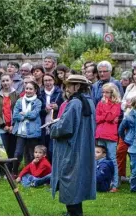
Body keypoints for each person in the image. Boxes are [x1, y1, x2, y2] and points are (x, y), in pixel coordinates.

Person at [50, 74, 96, 216]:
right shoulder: (89, 101)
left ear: (77, 86)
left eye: (69, 85)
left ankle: (74, 212)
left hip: (72, 147)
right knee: (76, 179)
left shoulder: (75, 102)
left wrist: (53, 127)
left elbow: (65, 127)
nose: (67, 88)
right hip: (82, 146)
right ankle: (74, 211)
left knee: (69, 178)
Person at [12, 81, 42, 176]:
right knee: (18, 153)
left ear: (35, 90)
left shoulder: (38, 102)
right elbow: (15, 115)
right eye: (26, 88)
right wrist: (23, 116)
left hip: (32, 132)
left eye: (30, 89)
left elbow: (34, 115)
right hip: (21, 131)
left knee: (32, 154)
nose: (28, 91)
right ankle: (15, 172)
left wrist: (24, 113)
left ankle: (31, 173)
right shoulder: (19, 100)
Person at [95, 83, 121, 192]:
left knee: (112, 158)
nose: (104, 94)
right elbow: (97, 117)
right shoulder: (100, 103)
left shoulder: (116, 104)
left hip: (110, 135)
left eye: (107, 92)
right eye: (103, 92)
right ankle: (99, 181)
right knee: (98, 157)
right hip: (100, 133)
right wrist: (106, 116)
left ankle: (115, 183)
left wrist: (105, 113)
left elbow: (111, 117)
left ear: (112, 93)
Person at [0, 73, 19, 171]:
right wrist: (3, 125)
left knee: (12, 149)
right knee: (1, 150)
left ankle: (10, 169)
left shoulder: (16, 94)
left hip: (13, 126)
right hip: (1, 127)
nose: (5, 83)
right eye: (3, 81)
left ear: (11, 81)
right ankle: (0, 170)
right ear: (1, 82)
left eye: (7, 80)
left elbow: (19, 110)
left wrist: (13, 125)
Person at [39, 73, 64, 161]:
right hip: (43, 125)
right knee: (44, 149)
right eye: (45, 80)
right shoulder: (40, 93)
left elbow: (65, 107)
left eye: (50, 80)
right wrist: (45, 110)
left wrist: (57, 107)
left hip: (55, 124)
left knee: (52, 150)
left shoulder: (60, 93)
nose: (47, 82)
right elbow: (38, 111)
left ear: (54, 81)